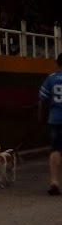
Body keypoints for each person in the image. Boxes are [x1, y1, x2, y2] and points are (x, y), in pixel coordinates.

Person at [37, 52, 62, 196]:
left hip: (56, 120)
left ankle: (54, 182)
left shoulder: (51, 79)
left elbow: (43, 100)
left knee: (56, 150)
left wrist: (41, 118)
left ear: (58, 63)